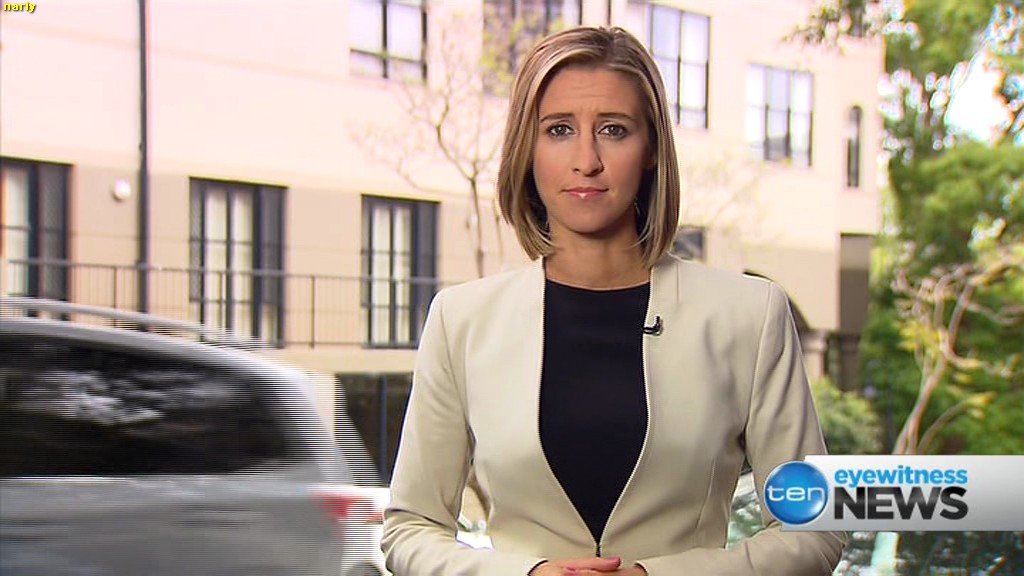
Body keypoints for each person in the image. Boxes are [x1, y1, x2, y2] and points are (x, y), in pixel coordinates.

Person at [381, 26, 846, 576]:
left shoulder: (750, 315)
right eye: (558, 129)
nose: (587, 160)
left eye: (613, 130)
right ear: (528, 150)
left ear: (651, 150)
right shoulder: (461, 321)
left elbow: (815, 531)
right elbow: (409, 529)